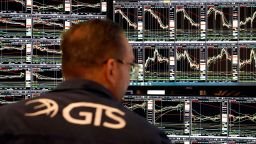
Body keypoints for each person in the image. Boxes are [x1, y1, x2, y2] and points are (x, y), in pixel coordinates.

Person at [0, 19, 170, 144]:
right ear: (111, 68)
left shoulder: (7, 119)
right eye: (130, 66)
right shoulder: (147, 136)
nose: (130, 75)